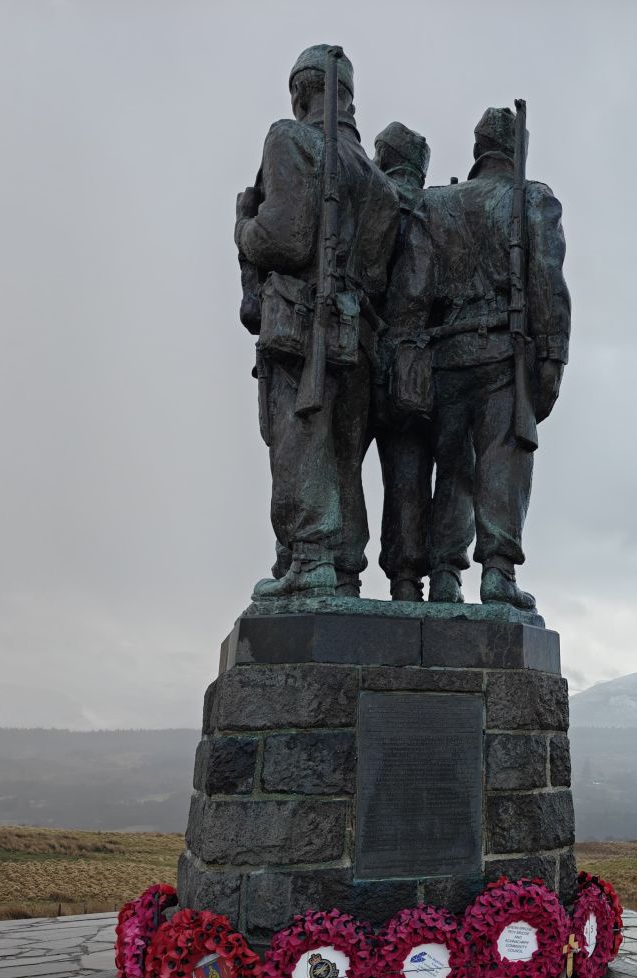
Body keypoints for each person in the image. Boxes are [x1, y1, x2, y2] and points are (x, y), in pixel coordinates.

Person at [235, 45, 398, 598]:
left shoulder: (289, 137)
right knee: (344, 457)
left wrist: (243, 230)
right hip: (360, 333)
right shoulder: (378, 180)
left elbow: (285, 236)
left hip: (303, 329)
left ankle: (310, 561)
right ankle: (345, 567)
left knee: (301, 443)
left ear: (302, 91)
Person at [419, 106, 570, 609]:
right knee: (502, 463)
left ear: (478, 148)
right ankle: (497, 574)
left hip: (444, 355)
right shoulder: (533, 200)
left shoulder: (435, 205)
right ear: (518, 149)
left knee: (451, 468)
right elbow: (548, 283)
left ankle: (443, 574)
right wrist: (552, 357)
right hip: (504, 354)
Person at [370, 121, 477, 602]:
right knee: (456, 469)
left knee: (405, 471)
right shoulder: (446, 208)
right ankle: (447, 575)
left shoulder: (381, 200)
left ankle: (406, 579)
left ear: (385, 157)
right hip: (455, 357)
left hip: (396, 356)